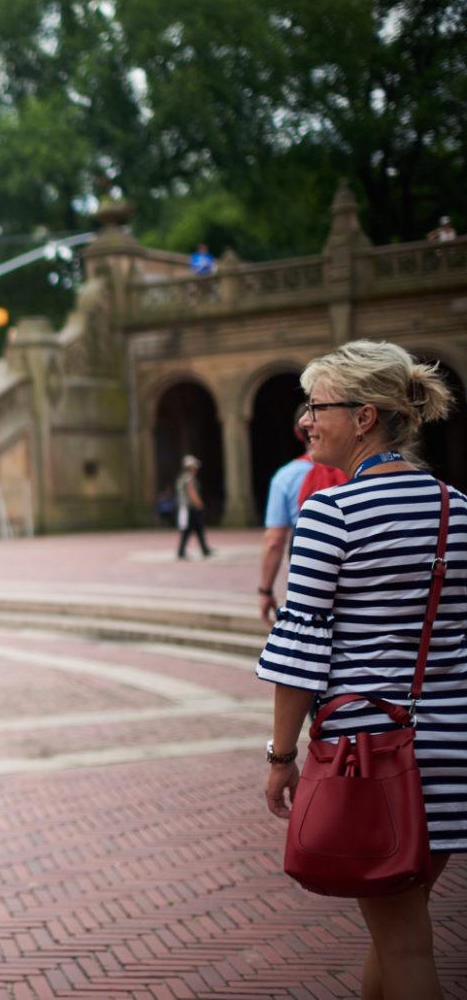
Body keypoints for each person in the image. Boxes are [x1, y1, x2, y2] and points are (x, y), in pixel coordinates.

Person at [257, 340, 463, 998]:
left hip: (373, 756)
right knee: (399, 926)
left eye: (316, 407)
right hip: (453, 748)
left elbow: (300, 650)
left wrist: (280, 754)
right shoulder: (456, 510)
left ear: (365, 417)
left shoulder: (330, 513)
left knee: (404, 943)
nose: (305, 422)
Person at [255, 425, 347, 625]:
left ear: (298, 434)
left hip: (307, 562)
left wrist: (265, 590)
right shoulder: (353, 469)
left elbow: (274, 541)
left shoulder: (286, 476)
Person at [174, 454, 213, 559]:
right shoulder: (189, 477)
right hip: (190, 508)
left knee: (197, 529)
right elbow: (191, 491)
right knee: (189, 530)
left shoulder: (182, 477)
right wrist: (199, 503)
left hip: (187, 507)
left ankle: (204, 549)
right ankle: (182, 551)